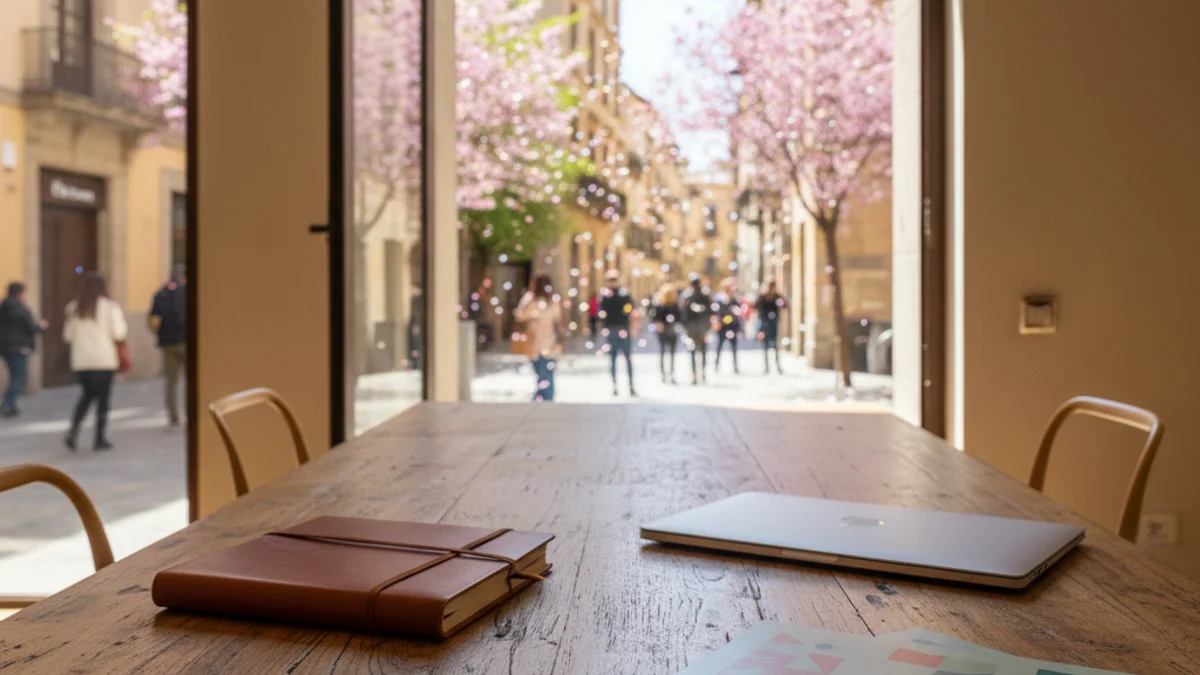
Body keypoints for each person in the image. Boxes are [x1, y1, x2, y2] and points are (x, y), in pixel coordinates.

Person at [63, 272, 128, 451]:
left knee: (87, 395)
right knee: (103, 399)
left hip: (82, 361)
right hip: (104, 359)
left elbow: (68, 336)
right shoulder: (110, 307)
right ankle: (99, 438)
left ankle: (74, 430)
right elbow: (120, 332)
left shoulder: (74, 308)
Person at [513, 274, 564, 402]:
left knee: (541, 376)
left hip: (535, 344)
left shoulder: (530, 301)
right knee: (548, 375)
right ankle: (546, 401)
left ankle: (542, 401)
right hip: (550, 343)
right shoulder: (553, 302)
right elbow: (558, 321)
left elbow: (519, 316)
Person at [0, 282, 47, 417]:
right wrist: (41, 326)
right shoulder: (21, 309)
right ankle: (8, 404)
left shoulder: (3, 307)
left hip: (4, 348)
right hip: (20, 347)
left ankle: (10, 404)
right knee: (18, 378)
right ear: (20, 293)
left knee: (14, 376)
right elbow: (32, 327)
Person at [149, 265, 187, 426]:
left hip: (167, 343)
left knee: (171, 381)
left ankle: (173, 415)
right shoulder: (186, 293)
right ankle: (191, 410)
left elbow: (153, 320)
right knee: (191, 380)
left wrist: (159, 335)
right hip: (185, 342)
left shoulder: (160, 294)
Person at [599, 270, 637, 397]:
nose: (612, 283)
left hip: (622, 329)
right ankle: (615, 385)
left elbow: (630, 309)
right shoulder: (605, 296)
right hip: (612, 330)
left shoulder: (623, 295)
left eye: (614, 280)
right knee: (613, 359)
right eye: (610, 280)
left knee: (627, 358)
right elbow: (601, 313)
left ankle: (630, 385)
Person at [679, 275, 715, 385]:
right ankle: (701, 374)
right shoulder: (704, 295)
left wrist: (685, 327)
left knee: (693, 351)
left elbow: (683, 313)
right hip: (701, 328)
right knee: (702, 351)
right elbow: (710, 312)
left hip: (693, 328)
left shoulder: (687, 296)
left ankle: (695, 374)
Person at [649, 282, 681, 383]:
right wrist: (658, 324)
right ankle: (665, 373)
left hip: (671, 330)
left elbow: (679, 318)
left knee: (668, 352)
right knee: (665, 352)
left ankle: (669, 373)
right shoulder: (660, 305)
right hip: (664, 331)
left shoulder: (674, 306)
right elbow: (654, 318)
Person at [755, 280, 788, 375]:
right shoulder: (763, 296)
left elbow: (785, 305)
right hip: (765, 324)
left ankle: (777, 366)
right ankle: (766, 367)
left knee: (775, 346)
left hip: (774, 323)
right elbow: (757, 306)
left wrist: (782, 299)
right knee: (765, 346)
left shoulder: (777, 296)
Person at [713, 278, 742, 374]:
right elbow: (717, 310)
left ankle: (735, 366)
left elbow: (738, 308)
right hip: (723, 325)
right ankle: (716, 365)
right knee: (719, 346)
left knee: (734, 346)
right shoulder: (720, 298)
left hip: (732, 325)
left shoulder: (734, 298)